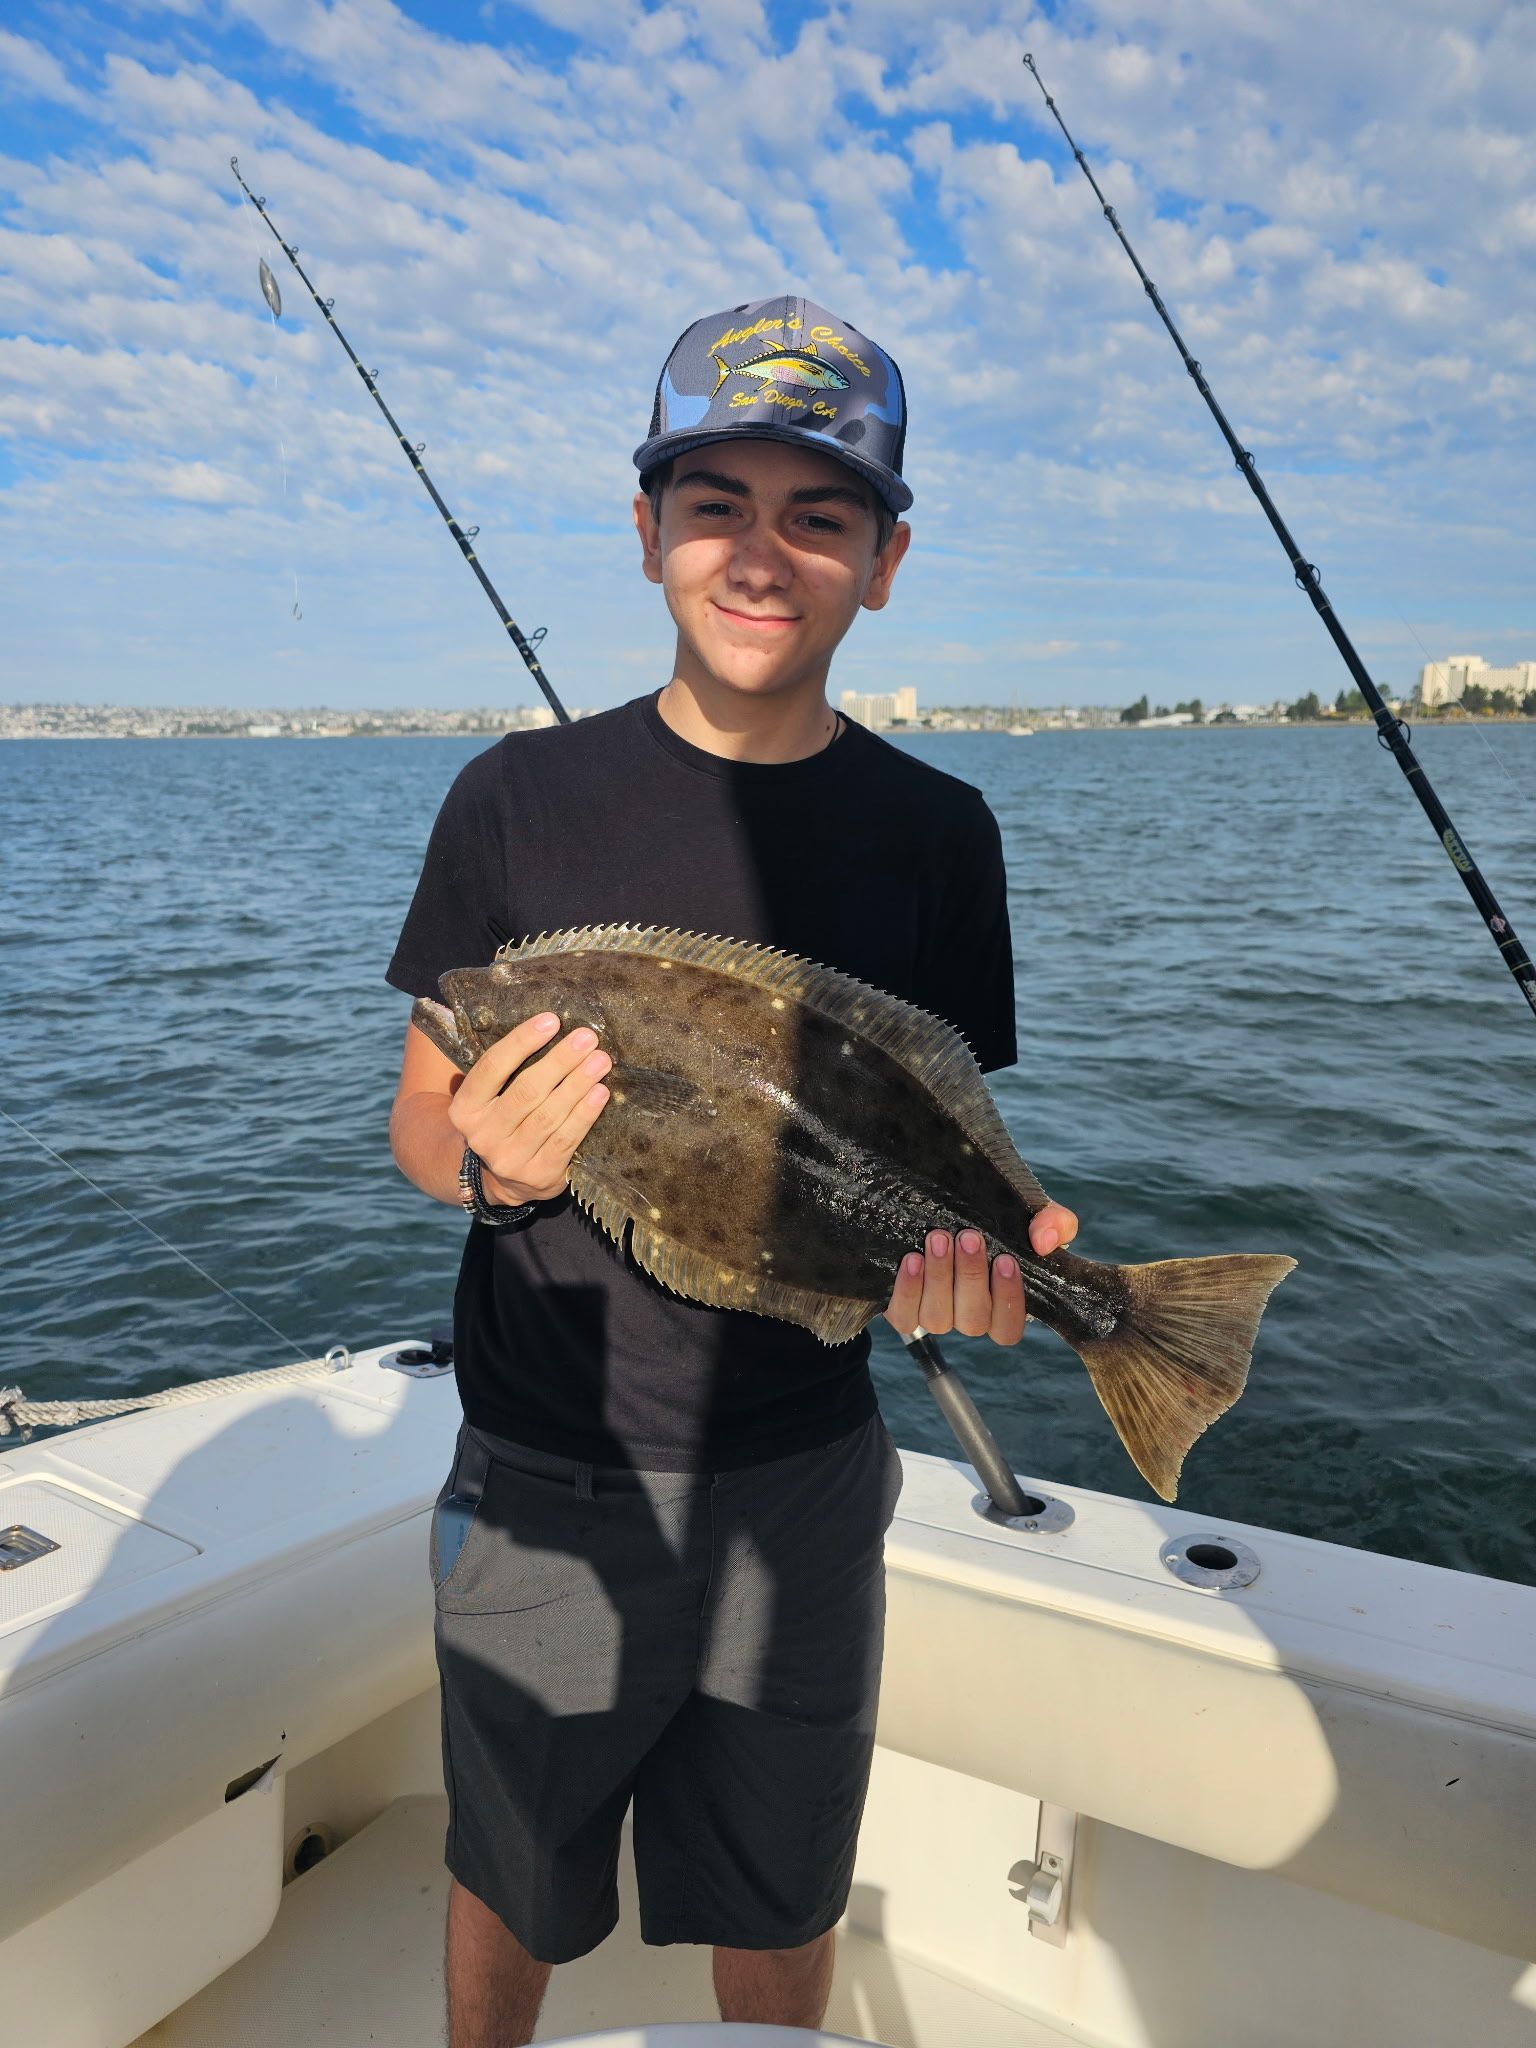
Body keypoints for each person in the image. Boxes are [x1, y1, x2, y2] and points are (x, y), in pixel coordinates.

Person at [386, 294, 1078, 2047]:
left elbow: (923, 1141)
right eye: (717, 507)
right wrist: (491, 1171)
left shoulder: (940, 834)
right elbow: (421, 1122)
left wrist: (985, 1270)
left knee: (784, 1881)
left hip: (806, 1479)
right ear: (648, 535)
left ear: (884, 565)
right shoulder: (513, 801)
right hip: (547, 1472)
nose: (762, 555)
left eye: (819, 517)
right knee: (513, 1862)